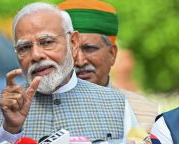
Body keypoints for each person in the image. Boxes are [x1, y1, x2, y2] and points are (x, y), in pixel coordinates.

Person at [0, 2, 138, 144]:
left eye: (47, 42)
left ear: (73, 43)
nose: (36, 55)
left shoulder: (117, 106)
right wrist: (10, 130)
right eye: (24, 47)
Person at [58, 0, 158, 132]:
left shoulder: (144, 113)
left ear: (112, 54)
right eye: (71, 50)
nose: (80, 61)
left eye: (90, 49)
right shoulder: (32, 110)